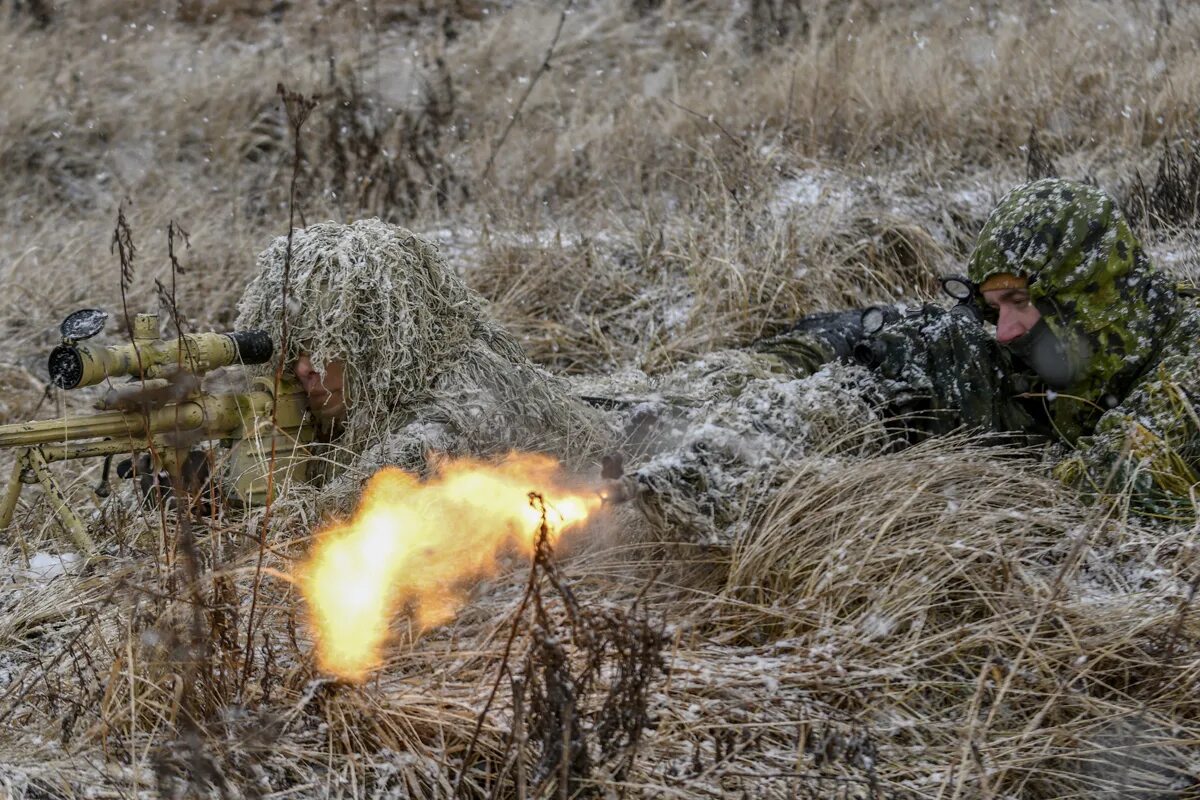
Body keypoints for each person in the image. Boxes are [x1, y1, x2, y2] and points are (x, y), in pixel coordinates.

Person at [754, 177, 1200, 519]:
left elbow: (1113, 489)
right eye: (994, 309)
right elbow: (895, 330)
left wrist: (972, 471)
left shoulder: (1188, 357)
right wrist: (794, 358)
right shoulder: (1071, 337)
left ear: (1085, 293)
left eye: (1019, 301)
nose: (1005, 332)